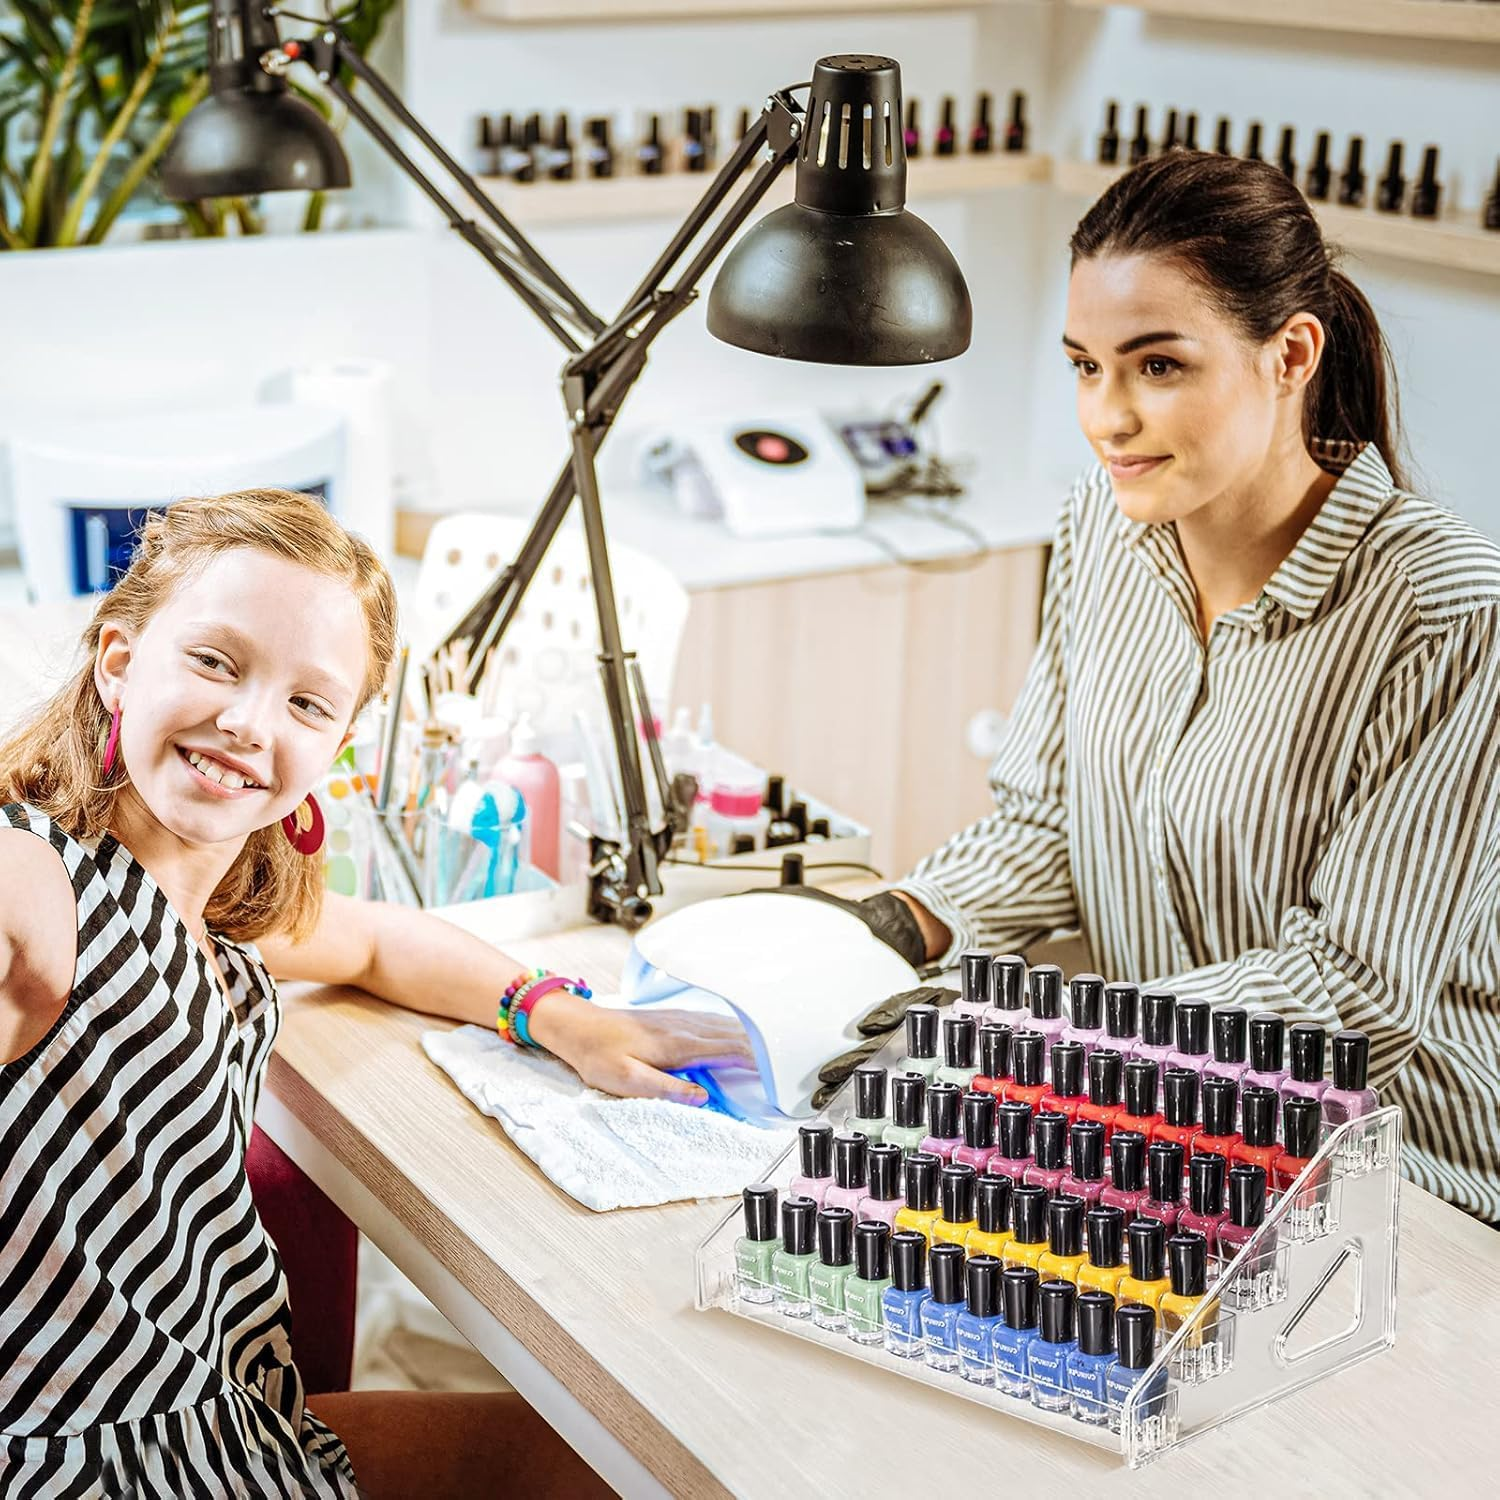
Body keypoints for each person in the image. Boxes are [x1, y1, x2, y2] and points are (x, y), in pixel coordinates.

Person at [0, 489, 749, 1496]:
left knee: (621, 1460)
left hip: (216, 1415)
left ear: (340, 744)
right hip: (95, 1459)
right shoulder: (41, 880)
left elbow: (375, 946)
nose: (247, 721)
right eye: (216, 661)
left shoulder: (216, 904)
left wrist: (558, 1015)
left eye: (307, 703)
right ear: (119, 661)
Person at [885, 152, 1500, 1223]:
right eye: (1084, 365)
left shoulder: (1446, 608)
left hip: (1407, 1182)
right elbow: (1049, 825)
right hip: (1170, 1133)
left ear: (1290, 355)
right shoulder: (1099, 530)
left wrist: (1060, 1045)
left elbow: (1350, 992)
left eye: (1156, 366)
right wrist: (899, 921)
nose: (1106, 416)